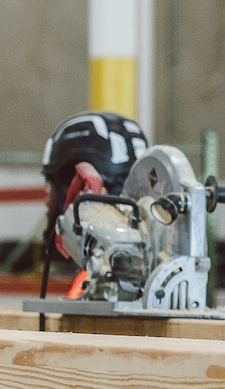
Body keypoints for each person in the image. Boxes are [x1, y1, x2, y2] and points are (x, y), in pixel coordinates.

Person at [38, 111, 149, 297]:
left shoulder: (103, 288)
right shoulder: (157, 280)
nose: (46, 201)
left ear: (79, 187)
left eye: (51, 187)